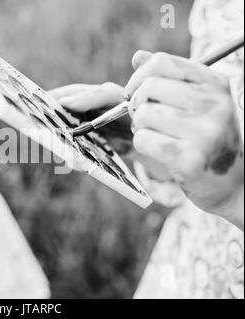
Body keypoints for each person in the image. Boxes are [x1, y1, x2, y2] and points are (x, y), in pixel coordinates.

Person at [50, 0, 244, 298]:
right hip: (186, 268)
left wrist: (235, 196)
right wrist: (143, 134)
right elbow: (203, 157)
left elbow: (225, 178)